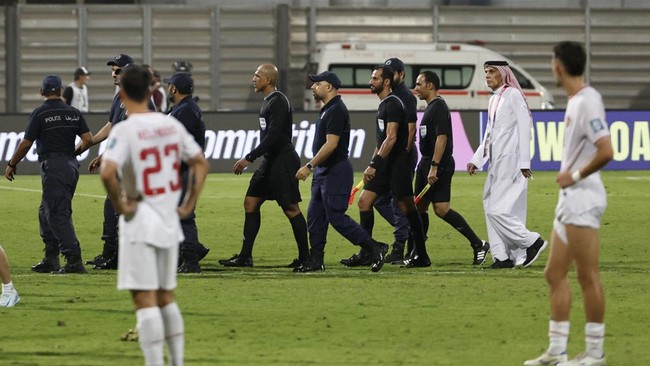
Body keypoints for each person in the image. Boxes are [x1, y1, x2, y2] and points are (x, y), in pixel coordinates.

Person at [100, 65, 209, 366]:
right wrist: (188, 203)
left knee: (144, 301)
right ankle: (176, 362)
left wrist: (122, 205)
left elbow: (108, 172)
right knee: (166, 298)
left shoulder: (125, 129)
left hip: (139, 223)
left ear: (121, 93)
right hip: (168, 221)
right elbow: (200, 162)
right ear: (151, 91)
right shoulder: (169, 125)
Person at [524, 41, 612, 366]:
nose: (551, 67)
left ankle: (594, 354)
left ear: (559, 66)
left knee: (588, 276)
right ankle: (557, 350)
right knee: (553, 272)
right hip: (569, 200)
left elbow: (606, 150)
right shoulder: (577, 100)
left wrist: (573, 176)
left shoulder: (589, 101)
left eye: (551, 62)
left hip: (583, 199)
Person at [218, 64, 310, 268]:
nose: (253, 78)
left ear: (268, 80)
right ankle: (245, 256)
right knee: (251, 203)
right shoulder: (268, 101)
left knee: (291, 208)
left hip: (282, 161)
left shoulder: (278, 101)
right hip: (270, 161)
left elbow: (273, 136)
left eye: (257, 75)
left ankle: (306, 257)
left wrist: (249, 158)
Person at [295, 71, 387, 272]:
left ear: (329, 87)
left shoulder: (336, 109)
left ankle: (374, 247)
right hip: (324, 171)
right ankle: (316, 261)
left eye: (317, 84)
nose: (313, 87)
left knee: (335, 215)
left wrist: (309, 166)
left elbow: (331, 144)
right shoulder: (328, 109)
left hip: (335, 171)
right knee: (315, 217)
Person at [5, 74, 92, 274]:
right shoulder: (73, 112)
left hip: (53, 167)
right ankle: (51, 258)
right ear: (60, 91)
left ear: (42, 92)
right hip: (70, 165)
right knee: (46, 211)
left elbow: (26, 143)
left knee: (56, 213)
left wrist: (12, 163)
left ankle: (74, 260)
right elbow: (88, 139)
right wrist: (73, 153)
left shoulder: (40, 113)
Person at [346, 65, 430, 268]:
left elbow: (391, 138)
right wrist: (372, 164)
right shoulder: (384, 104)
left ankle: (421, 255)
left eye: (374, 78)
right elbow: (381, 141)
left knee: (408, 208)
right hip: (385, 163)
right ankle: (368, 251)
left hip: (397, 164)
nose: (370, 82)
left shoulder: (393, 104)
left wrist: (375, 164)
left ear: (385, 82)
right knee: (364, 202)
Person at [467, 60, 547, 269]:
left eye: (492, 71)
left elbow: (524, 126)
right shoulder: (494, 99)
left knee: (497, 210)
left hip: (511, 160)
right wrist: (477, 159)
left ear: (504, 74)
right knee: (490, 206)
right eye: (486, 72)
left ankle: (532, 241)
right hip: (496, 162)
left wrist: (524, 161)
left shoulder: (513, 95)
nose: (487, 75)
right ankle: (501, 256)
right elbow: (489, 133)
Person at [78, 54, 153, 270]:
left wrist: (106, 155)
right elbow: (113, 125)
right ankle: (110, 252)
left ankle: (123, 256)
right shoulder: (119, 96)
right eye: (112, 70)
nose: (113, 74)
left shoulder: (140, 98)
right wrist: (90, 143)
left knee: (124, 208)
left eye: (118, 70)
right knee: (111, 204)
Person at [414, 71, 490, 265]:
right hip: (426, 162)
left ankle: (478, 244)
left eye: (419, 84)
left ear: (430, 85)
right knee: (419, 207)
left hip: (438, 163)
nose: (416, 88)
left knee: (440, 209)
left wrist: (434, 167)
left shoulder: (438, 107)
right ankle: (418, 253)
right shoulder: (430, 107)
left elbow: (442, 138)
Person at [164, 72, 210, 273]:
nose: (167, 89)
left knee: (184, 215)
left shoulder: (184, 111)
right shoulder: (185, 108)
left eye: (169, 86)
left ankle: (191, 259)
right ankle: (191, 251)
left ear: (174, 88)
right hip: (184, 169)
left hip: (184, 170)